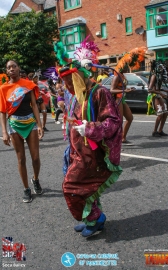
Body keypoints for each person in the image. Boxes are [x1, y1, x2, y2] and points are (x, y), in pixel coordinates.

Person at [60, 37, 123, 237]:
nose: (68, 85)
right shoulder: (79, 94)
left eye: (71, 80)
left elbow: (113, 122)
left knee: (72, 186)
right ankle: (91, 218)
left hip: (93, 154)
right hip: (78, 151)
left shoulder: (100, 92)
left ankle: (97, 219)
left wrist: (90, 128)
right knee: (87, 187)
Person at [0, 60, 43, 203]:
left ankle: (35, 179)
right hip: (14, 124)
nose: (11, 69)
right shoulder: (3, 88)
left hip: (30, 122)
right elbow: (3, 111)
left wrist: (40, 125)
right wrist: (4, 132)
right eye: (9, 68)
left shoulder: (28, 85)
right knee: (21, 159)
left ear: (19, 68)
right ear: (7, 71)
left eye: (14, 66)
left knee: (35, 158)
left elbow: (35, 106)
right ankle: (26, 189)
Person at [147, 60, 168, 137]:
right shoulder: (154, 76)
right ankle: (154, 131)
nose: (161, 69)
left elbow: (157, 88)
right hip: (153, 95)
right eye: (159, 67)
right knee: (160, 113)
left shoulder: (159, 76)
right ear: (156, 68)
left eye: (162, 68)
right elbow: (150, 89)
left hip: (158, 94)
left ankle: (160, 130)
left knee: (165, 112)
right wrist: (161, 93)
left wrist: (163, 90)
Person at [110, 68, 134, 143]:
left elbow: (122, 87)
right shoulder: (116, 76)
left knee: (130, 118)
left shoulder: (122, 76)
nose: (128, 68)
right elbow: (111, 90)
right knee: (119, 121)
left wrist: (128, 89)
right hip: (117, 99)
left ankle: (123, 138)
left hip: (122, 98)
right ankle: (115, 141)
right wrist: (124, 90)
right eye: (126, 66)